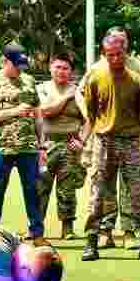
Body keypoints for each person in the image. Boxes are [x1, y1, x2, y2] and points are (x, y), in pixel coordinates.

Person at [80, 27, 140, 249]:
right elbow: (89, 108)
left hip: (130, 140)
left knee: (136, 190)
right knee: (98, 189)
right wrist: (98, 126)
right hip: (104, 140)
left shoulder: (137, 76)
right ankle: (96, 237)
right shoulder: (95, 75)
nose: (116, 57)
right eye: (111, 53)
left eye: (120, 52)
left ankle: (139, 237)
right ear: (104, 52)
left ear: (125, 49)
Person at [0, 42, 46, 244]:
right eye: (16, 65)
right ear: (5, 61)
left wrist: (42, 145)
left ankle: (37, 233)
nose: (19, 70)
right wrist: (14, 112)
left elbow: (38, 115)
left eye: (22, 66)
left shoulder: (29, 81)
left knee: (33, 191)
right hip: (2, 147)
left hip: (29, 147)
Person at [37, 53, 86, 240]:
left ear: (71, 71)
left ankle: (68, 228)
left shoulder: (80, 92)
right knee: (40, 187)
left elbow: (89, 119)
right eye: (57, 67)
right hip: (46, 144)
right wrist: (67, 97)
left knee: (67, 189)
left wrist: (82, 139)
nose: (61, 71)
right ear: (50, 68)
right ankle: (36, 227)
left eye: (65, 68)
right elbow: (46, 111)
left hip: (69, 145)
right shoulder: (41, 89)